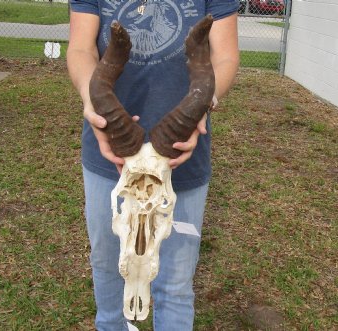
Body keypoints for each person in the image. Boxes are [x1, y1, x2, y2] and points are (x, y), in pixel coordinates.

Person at [67, 1, 239, 330]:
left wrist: (204, 105)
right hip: (111, 155)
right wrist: (94, 103)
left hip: (180, 155)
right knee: (108, 269)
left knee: (174, 284)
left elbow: (225, 56)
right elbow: (79, 48)